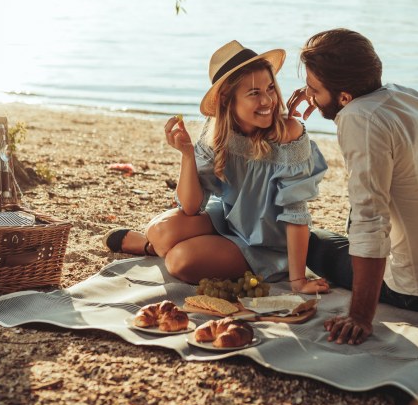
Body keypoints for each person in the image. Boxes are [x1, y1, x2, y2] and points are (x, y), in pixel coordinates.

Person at [286, 28, 418, 344]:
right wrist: (321, 92)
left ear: (344, 97)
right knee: (344, 228)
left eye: (314, 89)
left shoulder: (359, 119)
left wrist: (359, 315)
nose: (309, 96)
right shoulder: (404, 95)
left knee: (309, 243)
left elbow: (371, 222)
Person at [104, 40, 330, 295]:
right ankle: (151, 245)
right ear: (226, 100)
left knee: (180, 261)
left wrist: (298, 280)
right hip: (228, 219)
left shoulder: (289, 134)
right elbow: (190, 207)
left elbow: (296, 212)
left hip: (267, 244)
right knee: (158, 230)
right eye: (254, 93)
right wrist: (187, 155)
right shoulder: (216, 131)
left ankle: (155, 248)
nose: (268, 100)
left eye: (270, 88)